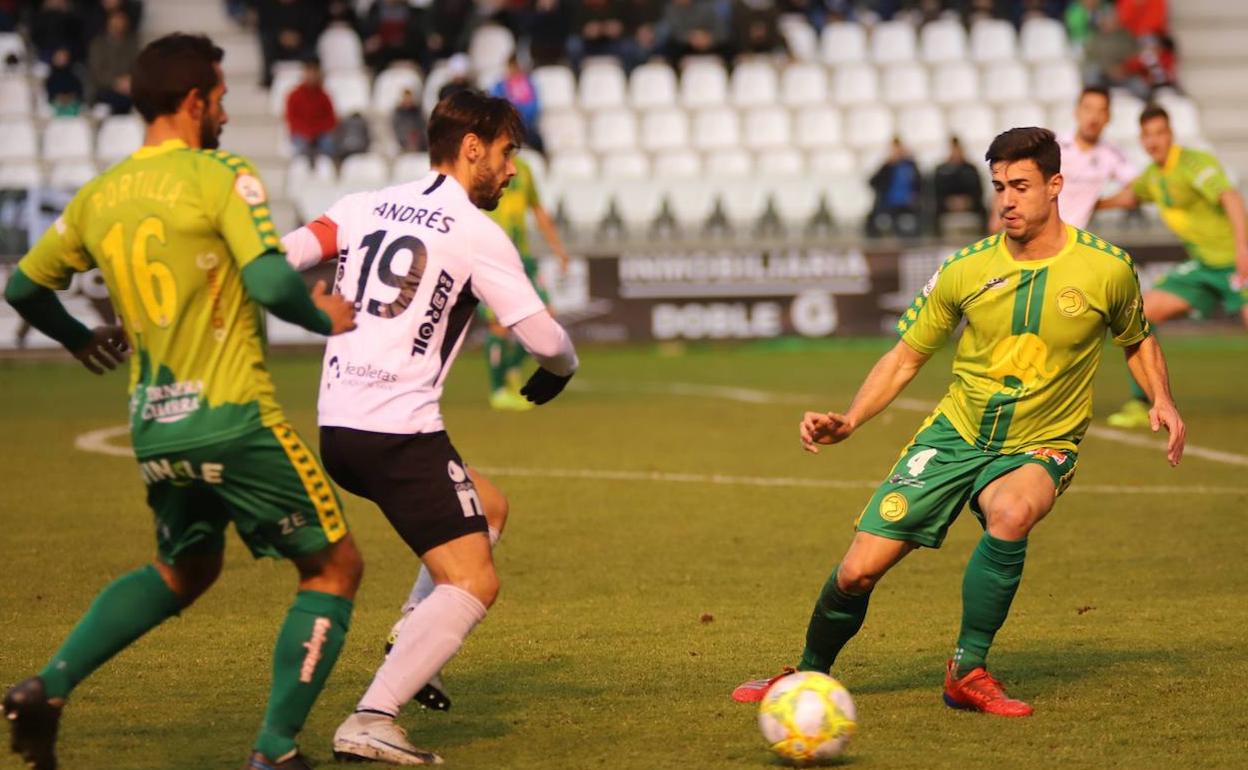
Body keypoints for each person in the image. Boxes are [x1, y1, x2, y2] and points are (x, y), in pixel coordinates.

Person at [732, 127, 1185, 717]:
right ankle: (807, 674)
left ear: (1055, 186)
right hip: (956, 435)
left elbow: (1137, 337)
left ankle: (968, 670)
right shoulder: (964, 269)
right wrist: (850, 420)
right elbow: (905, 357)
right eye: (999, 186)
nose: (1007, 200)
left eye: (1020, 186)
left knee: (1012, 513)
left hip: (1042, 441)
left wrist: (1163, 398)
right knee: (857, 572)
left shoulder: (1107, 269)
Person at [3, 33, 360, 770]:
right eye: (221, 99)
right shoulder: (220, 174)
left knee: (184, 571)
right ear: (195, 101)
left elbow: (21, 288)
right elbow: (266, 281)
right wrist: (324, 316)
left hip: (156, 430)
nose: (225, 112)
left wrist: (76, 338)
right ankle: (275, 751)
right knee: (334, 569)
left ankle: (50, 687)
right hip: (234, 417)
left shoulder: (99, 196)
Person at [279, 89, 578, 764]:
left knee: (489, 507)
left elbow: (279, 258)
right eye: (506, 154)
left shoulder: (360, 205)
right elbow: (545, 340)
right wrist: (563, 371)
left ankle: (416, 640)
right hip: (397, 433)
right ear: (472, 147)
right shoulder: (475, 232)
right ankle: (373, 715)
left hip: (339, 429)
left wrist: (310, 305)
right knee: (474, 582)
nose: (509, 171)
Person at [1097, 105, 1248, 427]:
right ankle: (1143, 403)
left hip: (1236, 262)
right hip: (1204, 267)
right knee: (1140, 314)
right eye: (1147, 135)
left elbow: (1232, 199)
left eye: (1159, 133)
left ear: (1170, 134)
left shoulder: (1193, 163)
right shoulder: (1153, 177)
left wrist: (1243, 249)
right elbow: (1127, 197)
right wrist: (1091, 202)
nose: (1154, 141)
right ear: (1141, 139)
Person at [479, 152, 570, 410]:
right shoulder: (483, 165)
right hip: (493, 257)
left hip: (523, 257)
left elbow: (537, 208)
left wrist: (558, 248)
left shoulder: (524, 168)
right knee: (498, 325)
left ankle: (509, 369)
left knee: (547, 318)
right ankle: (498, 392)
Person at [1056, 86, 1136, 229]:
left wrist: (1098, 205)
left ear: (1108, 117)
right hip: (1041, 234)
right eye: (1088, 109)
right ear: (1077, 112)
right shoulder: (1055, 146)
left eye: (1101, 111)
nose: (1093, 117)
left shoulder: (1112, 155)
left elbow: (1136, 189)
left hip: (1079, 239)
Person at [490, 54, 545, 155]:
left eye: (517, 66)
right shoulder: (500, 85)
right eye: (512, 66)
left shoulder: (529, 84)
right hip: (505, 126)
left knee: (537, 141)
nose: (515, 69)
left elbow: (534, 107)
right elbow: (496, 106)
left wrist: (518, 111)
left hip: (525, 126)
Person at [867, 137, 921, 238]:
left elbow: (920, 185)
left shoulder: (911, 166)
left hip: (907, 207)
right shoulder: (887, 167)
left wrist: (915, 196)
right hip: (888, 206)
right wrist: (886, 165)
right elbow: (872, 182)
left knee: (908, 225)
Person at [285, 58, 337, 162]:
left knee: (329, 145)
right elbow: (292, 119)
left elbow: (331, 119)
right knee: (301, 147)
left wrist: (316, 132)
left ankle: (328, 170)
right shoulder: (294, 95)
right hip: (301, 134)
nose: (311, 75)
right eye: (309, 72)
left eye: (314, 72)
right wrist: (307, 133)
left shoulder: (324, 96)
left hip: (320, 134)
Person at [86, 10, 139, 115]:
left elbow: (137, 66)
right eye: (115, 22)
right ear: (108, 23)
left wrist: (129, 81)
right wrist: (117, 82)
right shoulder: (98, 44)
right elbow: (97, 73)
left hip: (127, 88)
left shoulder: (132, 43)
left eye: (121, 22)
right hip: (103, 89)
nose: (118, 25)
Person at [933, 136, 987, 235]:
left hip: (970, 205)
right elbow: (937, 191)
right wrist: (950, 202)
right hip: (946, 207)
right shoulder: (941, 170)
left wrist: (967, 202)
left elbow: (978, 190)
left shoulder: (971, 169)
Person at [392, 88, 427, 152]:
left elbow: (423, 127)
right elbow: (397, 130)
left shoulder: (418, 112)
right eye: (406, 98)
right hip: (403, 144)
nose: (408, 101)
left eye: (409, 98)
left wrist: (418, 139)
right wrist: (406, 141)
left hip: (419, 144)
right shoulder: (397, 113)